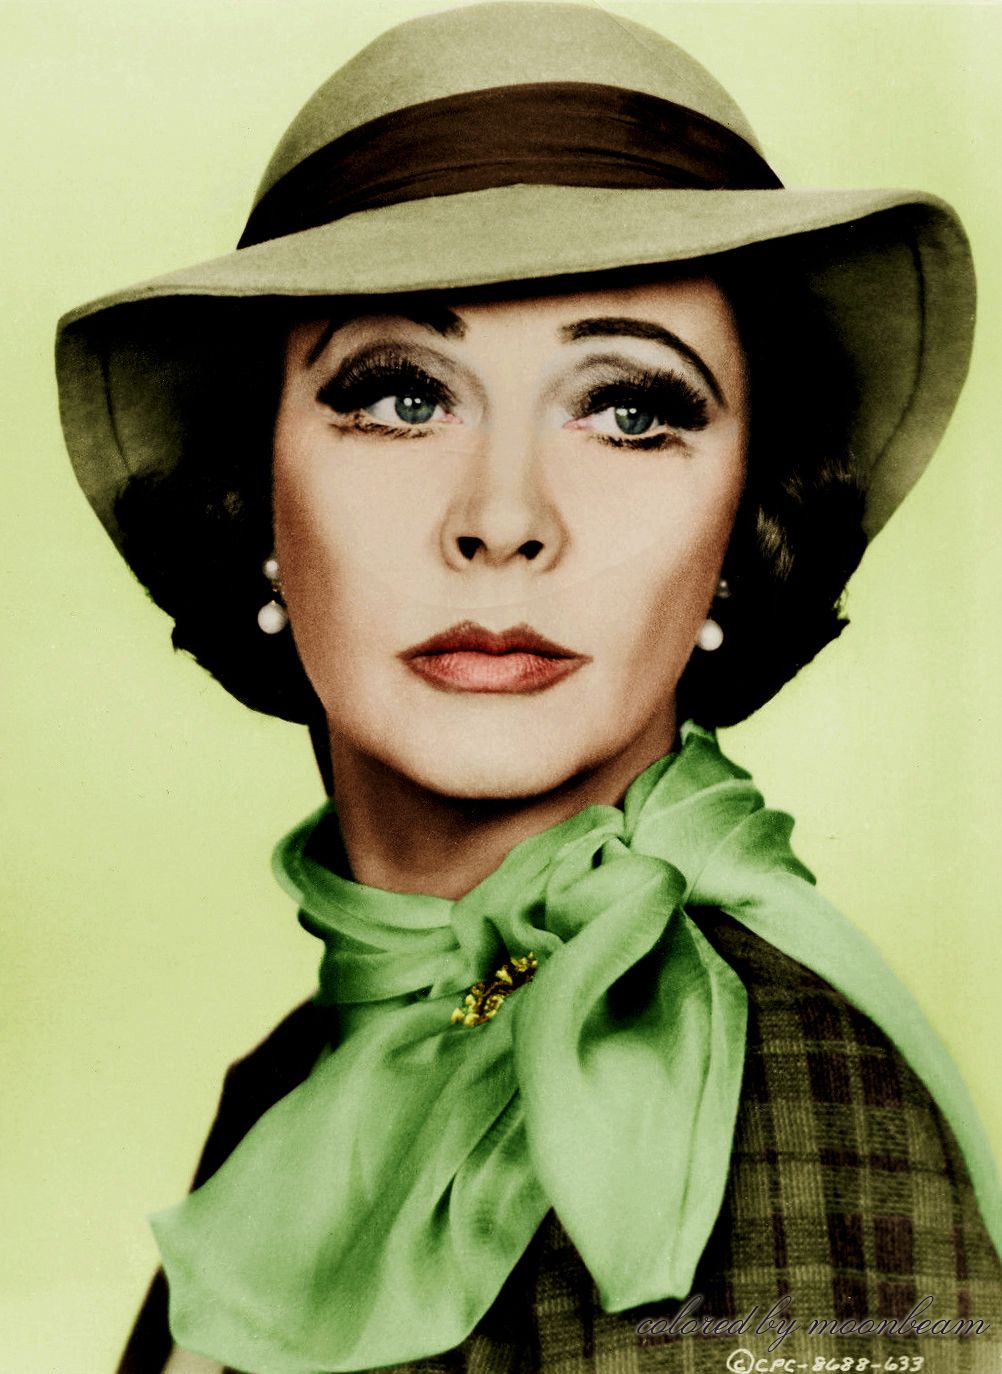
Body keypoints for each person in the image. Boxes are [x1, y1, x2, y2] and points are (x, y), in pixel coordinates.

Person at [52, 4, 1001, 1372]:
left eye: (629, 409)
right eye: (400, 395)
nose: (503, 520)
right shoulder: (315, 1073)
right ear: (253, 494)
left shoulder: (760, 1088)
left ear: (744, 527)